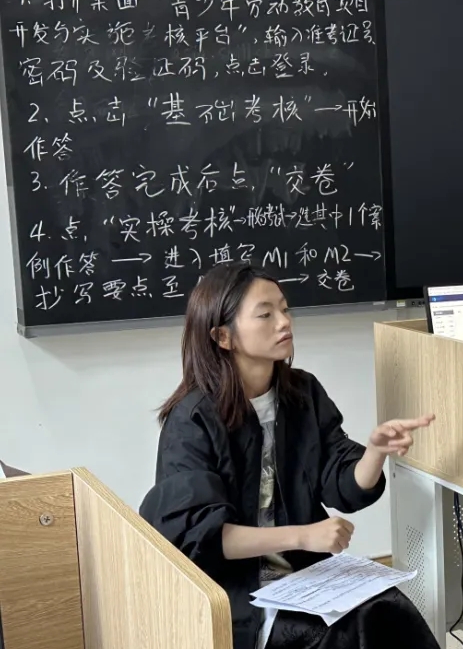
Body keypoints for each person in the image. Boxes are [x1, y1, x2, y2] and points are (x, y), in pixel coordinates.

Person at [140, 263, 440, 649]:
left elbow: (341, 483)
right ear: (223, 336)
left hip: (306, 575)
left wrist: (375, 452)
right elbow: (201, 538)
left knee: (387, 610)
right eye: (265, 314)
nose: (284, 322)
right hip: (238, 591)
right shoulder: (192, 419)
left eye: (284, 309)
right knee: (340, 634)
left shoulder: (302, 392)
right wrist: (304, 535)